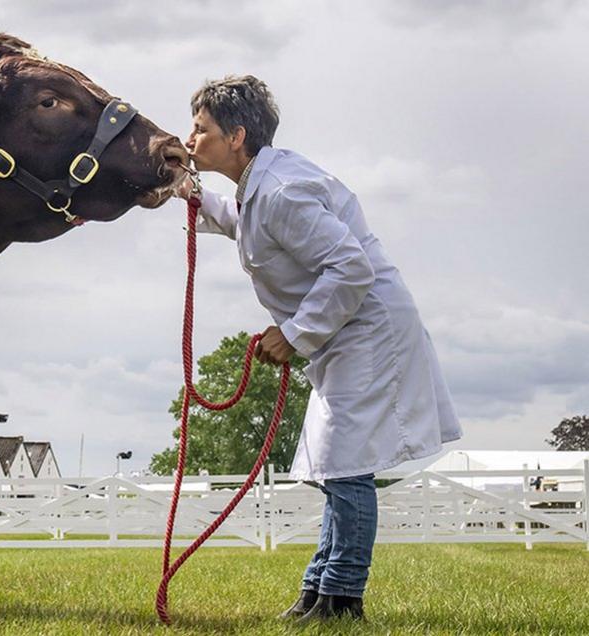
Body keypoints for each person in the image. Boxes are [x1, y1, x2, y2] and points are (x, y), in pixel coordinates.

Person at [178, 76, 462, 622]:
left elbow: (349, 266)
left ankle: (341, 598)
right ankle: (320, 591)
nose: (191, 139)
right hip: (345, 329)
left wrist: (294, 333)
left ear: (236, 136)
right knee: (335, 464)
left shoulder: (282, 190)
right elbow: (247, 223)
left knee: (347, 464)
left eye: (200, 129)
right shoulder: (263, 186)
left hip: (366, 328)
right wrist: (191, 194)